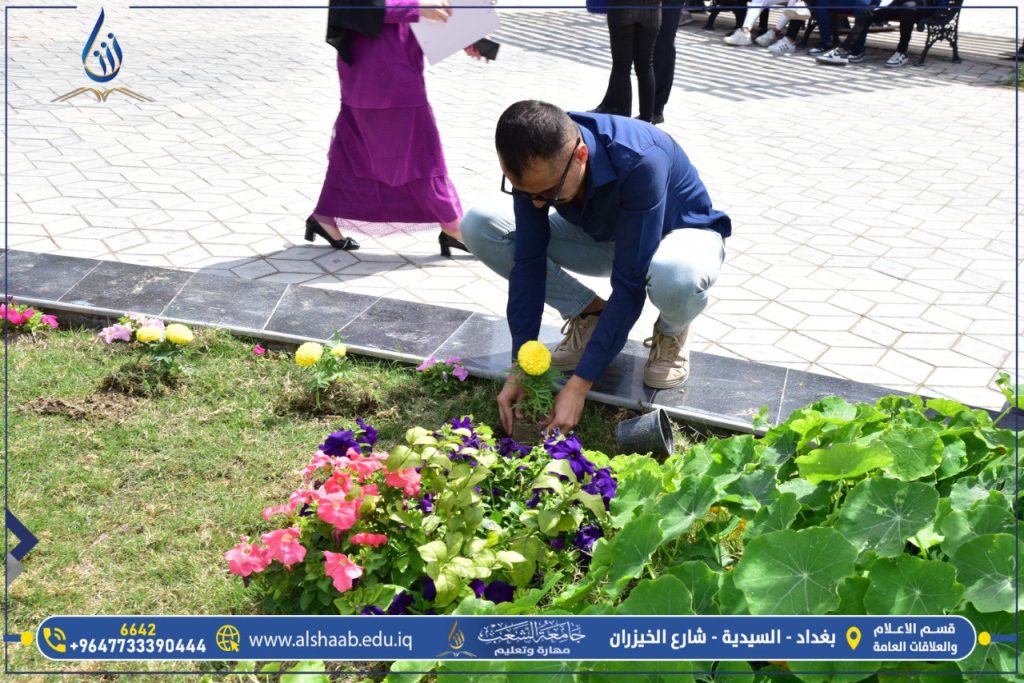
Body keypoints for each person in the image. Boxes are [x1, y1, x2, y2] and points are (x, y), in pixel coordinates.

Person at [460, 101, 731, 434]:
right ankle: (591, 315)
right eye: (524, 191)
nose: (536, 203)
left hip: (676, 237)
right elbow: (528, 263)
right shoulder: (537, 161)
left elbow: (629, 286)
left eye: (547, 192)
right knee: (478, 224)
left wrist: (579, 386)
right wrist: (521, 364)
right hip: (605, 235)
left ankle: (672, 330)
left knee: (674, 277)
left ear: (581, 156)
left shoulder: (641, 159)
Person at [309, 0, 482, 256]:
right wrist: (417, 8)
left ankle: (324, 216)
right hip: (379, 73)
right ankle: (452, 225)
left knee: (355, 151)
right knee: (421, 153)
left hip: (393, 66)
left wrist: (465, 34)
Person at [590, 0, 662, 122]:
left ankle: (625, 122)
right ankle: (646, 120)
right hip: (651, 9)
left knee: (621, 68)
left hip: (622, 7)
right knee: (645, 67)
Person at [814, 0, 936, 66]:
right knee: (867, 12)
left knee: (907, 9)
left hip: (922, 4)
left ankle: (901, 52)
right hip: (896, 3)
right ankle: (843, 50)